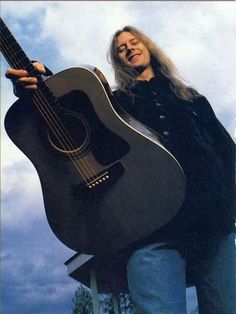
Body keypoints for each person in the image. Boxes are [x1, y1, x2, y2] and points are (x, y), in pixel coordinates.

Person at [5, 26, 235, 314]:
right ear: (118, 60)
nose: (128, 48)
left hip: (213, 220)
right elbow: (69, 114)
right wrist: (39, 83)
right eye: (120, 48)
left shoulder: (192, 99)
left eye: (134, 41)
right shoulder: (114, 102)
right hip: (151, 225)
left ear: (149, 47)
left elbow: (227, 153)